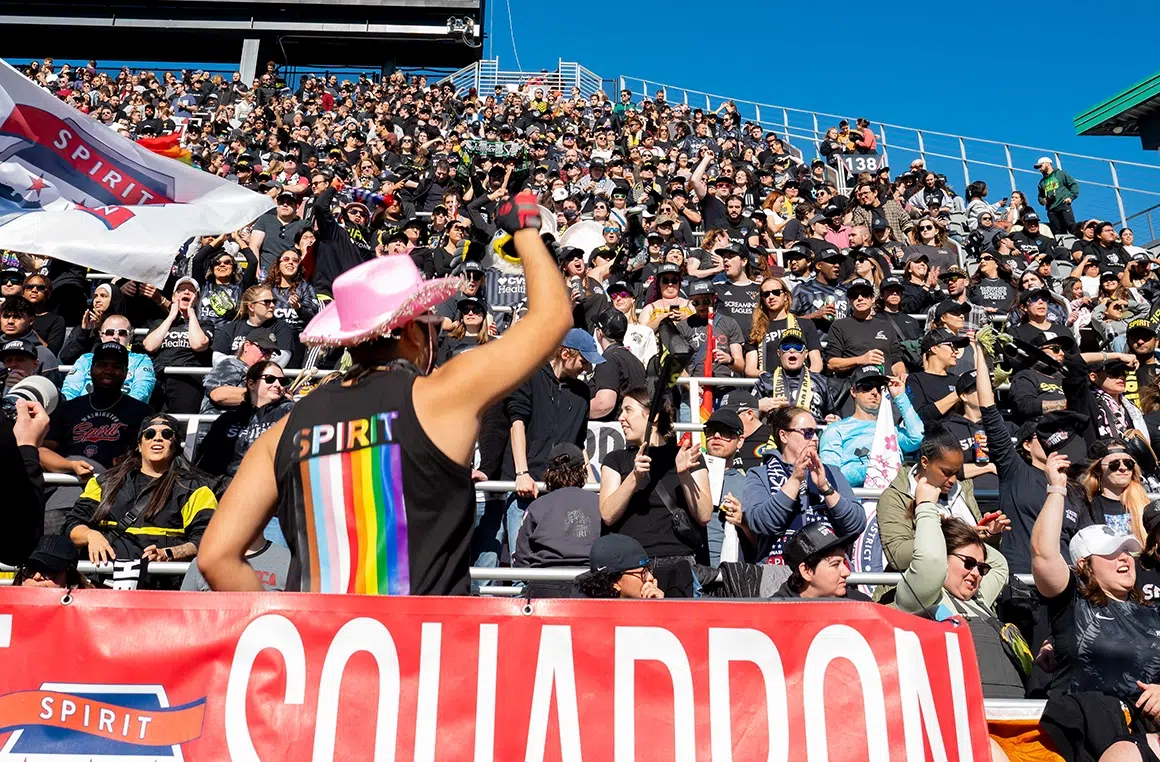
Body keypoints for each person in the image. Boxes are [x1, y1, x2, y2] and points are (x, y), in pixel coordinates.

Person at [197, 192, 575, 595]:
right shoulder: (443, 395)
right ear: (413, 331)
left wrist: (283, 626)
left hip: (320, 651)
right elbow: (553, 317)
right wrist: (526, 232)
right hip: (425, 649)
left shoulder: (285, 430)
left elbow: (215, 556)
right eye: (430, 323)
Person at [1032, 453, 1160, 722]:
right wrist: (1056, 489)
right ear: (1084, 565)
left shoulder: (1153, 612)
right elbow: (1044, 554)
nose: (1124, 557)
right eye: (1111, 552)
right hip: (1086, 734)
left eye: (1127, 550)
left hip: (1146, 732)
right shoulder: (1072, 604)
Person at [896, 499, 1023, 698]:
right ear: (942, 558)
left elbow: (999, 564)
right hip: (962, 713)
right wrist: (939, 529)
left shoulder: (979, 597)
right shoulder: (924, 595)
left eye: (981, 567)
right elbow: (930, 559)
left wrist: (979, 536)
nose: (976, 573)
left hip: (1008, 712)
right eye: (969, 563)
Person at [63, 415, 219, 572]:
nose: (157, 439)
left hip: (161, 583)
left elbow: (206, 540)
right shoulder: (105, 483)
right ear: (139, 445)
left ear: (175, 445)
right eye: (150, 434)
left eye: (166, 434)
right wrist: (91, 535)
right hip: (105, 580)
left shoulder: (195, 489)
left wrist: (169, 553)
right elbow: (72, 525)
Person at [599, 387, 712, 566]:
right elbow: (607, 514)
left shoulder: (686, 456)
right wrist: (634, 477)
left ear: (654, 416)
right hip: (632, 566)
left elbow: (704, 515)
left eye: (628, 410)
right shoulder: (616, 459)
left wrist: (684, 476)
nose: (621, 417)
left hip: (679, 564)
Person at [877, 423, 1005, 579]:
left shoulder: (963, 490)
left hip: (967, 592)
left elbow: (982, 555)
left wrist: (990, 534)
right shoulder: (895, 497)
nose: (952, 480)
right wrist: (953, 535)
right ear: (925, 462)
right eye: (946, 472)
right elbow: (897, 557)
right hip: (920, 595)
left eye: (956, 473)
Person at [741, 406, 866, 564]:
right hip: (778, 572)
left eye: (816, 432)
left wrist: (826, 488)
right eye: (807, 432)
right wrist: (794, 480)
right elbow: (763, 523)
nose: (814, 438)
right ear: (783, 435)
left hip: (828, 570)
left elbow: (857, 524)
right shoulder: (760, 475)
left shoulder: (831, 473)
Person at [819, 365, 924, 487]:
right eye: (867, 387)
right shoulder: (836, 430)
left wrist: (900, 396)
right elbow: (830, 475)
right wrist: (876, 469)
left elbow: (918, 437)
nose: (874, 392)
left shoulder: (891, 430)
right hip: (855, 500)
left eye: (880, 388)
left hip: (890, 500)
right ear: (853, 391)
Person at [195, 360, 294, 478]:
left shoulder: (290, 413)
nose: (278, 385)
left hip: (272, 484)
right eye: (270, 379)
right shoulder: (228, 419)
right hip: (226, 486)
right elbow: (207, 462)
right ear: (251, 384)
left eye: (282, 381)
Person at [512, 443, 601, 568]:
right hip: (589, 581)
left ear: (549, 472)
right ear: (583, 470)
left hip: (545, 579)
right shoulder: (600, 503)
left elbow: (521, 556)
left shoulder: (536, 506)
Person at [142, 277, 210, 414]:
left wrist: (191, 313)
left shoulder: (204, 325)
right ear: (173, 297)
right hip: (159, 377)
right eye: (181, 290)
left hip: (187, 379)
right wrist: (171, 316)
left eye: (191, 291)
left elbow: (198, 345)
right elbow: (149, 346)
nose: (186, 292)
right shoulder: (159, 323)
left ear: (197, 298)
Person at [745, 276, 823, 376]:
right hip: (769, 386)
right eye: (766, 294)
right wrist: (769, 378)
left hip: (801, 385)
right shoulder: (756, 329)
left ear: (786, 296)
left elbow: (817, 363)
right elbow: (750, 369)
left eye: (776, 292)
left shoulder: (805, 324)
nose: (771, 297)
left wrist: (805, 380)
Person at [773, 521, 870, 600]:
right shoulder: (771, 614)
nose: (847, 572)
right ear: (806, 571)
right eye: (835, 564)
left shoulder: (861, 605)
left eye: (844, 562)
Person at [199, 329, 278, 416]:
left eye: (270, 353)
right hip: (217, 425)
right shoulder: (231, 365)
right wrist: (261, 394)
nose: (267, 355)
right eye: (263, 350)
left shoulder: (262, 376)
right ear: (247, 345)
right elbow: (219, 395)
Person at [210, 285, 294, 367]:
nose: (272, 305)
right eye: (267, 302)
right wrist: (246, 362)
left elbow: (280, 361)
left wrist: (240, 361)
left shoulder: (281, 328)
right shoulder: (230, 329)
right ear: (251, 306)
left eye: (273, 301)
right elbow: (217, 361)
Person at [589, 310, 647, 422]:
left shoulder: (609, 359)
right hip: (630, 427)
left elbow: (604, 404)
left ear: (599, 333)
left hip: (613, 431)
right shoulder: (634, 359)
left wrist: (574, 412)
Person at [907, 328, 970, 424]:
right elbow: (919, 416)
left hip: (958, 436)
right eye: (952, 346)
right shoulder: (915, 380)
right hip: (932, 436)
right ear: (934, 348)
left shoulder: (957, 380)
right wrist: (957, 395)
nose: (956, 352)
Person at [573, 534, 664, 599]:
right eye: (642, 573)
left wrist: (658, 608)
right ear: (614, 583)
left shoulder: (656, 600)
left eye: (649, 569)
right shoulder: (585, 616)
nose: (651, 578)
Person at [21, 274, 65, 356]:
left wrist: (28, 330)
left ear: (47, 293)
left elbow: (51, 353)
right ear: (23, 292)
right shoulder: (10, 316)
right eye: (29, 287)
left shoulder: (56, 320)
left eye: (40, 288)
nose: (34, 290)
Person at [1034, 157, 1079, 236]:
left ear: (1047, 164)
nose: (1039, 169)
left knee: (1071, 226)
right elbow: (1040, 196)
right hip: (1051, 209)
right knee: (1057, 232)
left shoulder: (1061, 174)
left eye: (1040, 166)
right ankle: (1062, 247)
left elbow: (1074, 185)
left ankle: (1079, 244)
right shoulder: (1042, 182)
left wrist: (1070, 197)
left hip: (1063, 204)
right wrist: (1043, 200)